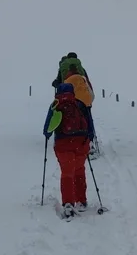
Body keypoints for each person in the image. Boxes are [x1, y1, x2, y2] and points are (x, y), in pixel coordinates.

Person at [42, 82, 96, 213]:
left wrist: (48, 135)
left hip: (63, 144)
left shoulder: (55, 105)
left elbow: (47, 129)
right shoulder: (80, 104)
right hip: (81, 144)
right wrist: (88, 139)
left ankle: (68, 204)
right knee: (79, 171)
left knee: (67, 173)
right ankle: (81, 201)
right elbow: (90, 127)